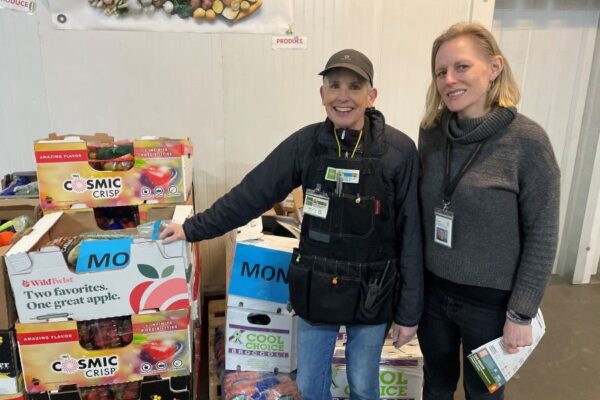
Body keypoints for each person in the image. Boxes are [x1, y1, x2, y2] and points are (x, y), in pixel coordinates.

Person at [160, 49, 423, 399]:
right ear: (322, 94)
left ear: (371, 95)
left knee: (363, 385)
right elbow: (252, 193)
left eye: (354, 87)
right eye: (334, 86)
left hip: (374, 291)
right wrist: (194, 228)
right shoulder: (306, 144)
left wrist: (408, 313)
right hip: (317, 287)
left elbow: (412, 236)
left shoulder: (398, 152)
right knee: (311, 388)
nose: (343, 97)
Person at [417, 22, 560, 400]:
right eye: (440, 71)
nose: (449, 79)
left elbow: (542, 234)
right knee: (435, 386)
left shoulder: (527, 141)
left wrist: (521, 314)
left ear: (494, 67)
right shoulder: (432, 133)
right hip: (434, 295)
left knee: (483, 395)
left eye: (461, 67)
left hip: (491, 306)